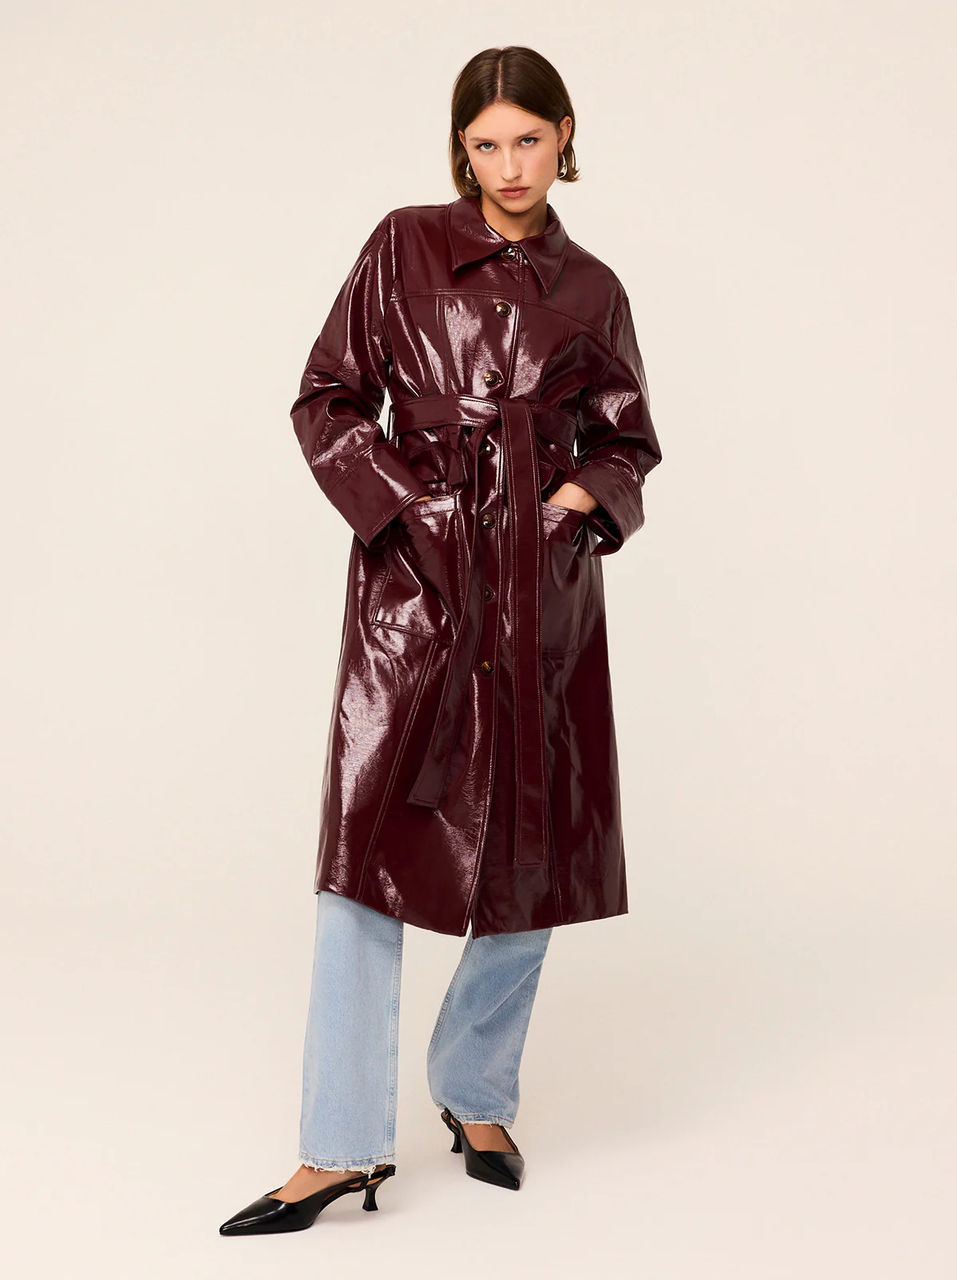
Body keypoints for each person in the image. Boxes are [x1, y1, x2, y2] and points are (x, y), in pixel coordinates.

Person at [219, 44, 662, 1236]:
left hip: (538, 590)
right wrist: (411, 512)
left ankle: (476, 1090)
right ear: (459, 151)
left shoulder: (596, 289)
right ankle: (339, 1146)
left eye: (530, 139)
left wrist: (575, 504)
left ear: (565, 136)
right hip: (413, 592)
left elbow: (627, 439)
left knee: (529, 845)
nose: (509, 166)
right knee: (364, 853)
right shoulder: (402, 245)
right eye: (486, 144)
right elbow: (327, 397)